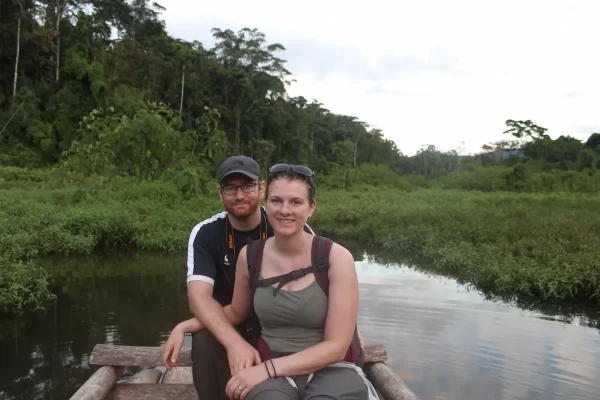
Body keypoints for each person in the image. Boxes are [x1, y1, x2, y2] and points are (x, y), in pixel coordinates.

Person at [166, 163, 376, 400]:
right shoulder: (249, 254)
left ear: (311, 208)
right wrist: (184, 326)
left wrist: (348, 327)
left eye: (296, 202)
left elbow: (336, 344)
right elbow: (235, 311)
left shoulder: (334, 256)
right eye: (277, 201)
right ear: (267, 203)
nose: (285, 210)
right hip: (272, 360)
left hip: (328, 366)